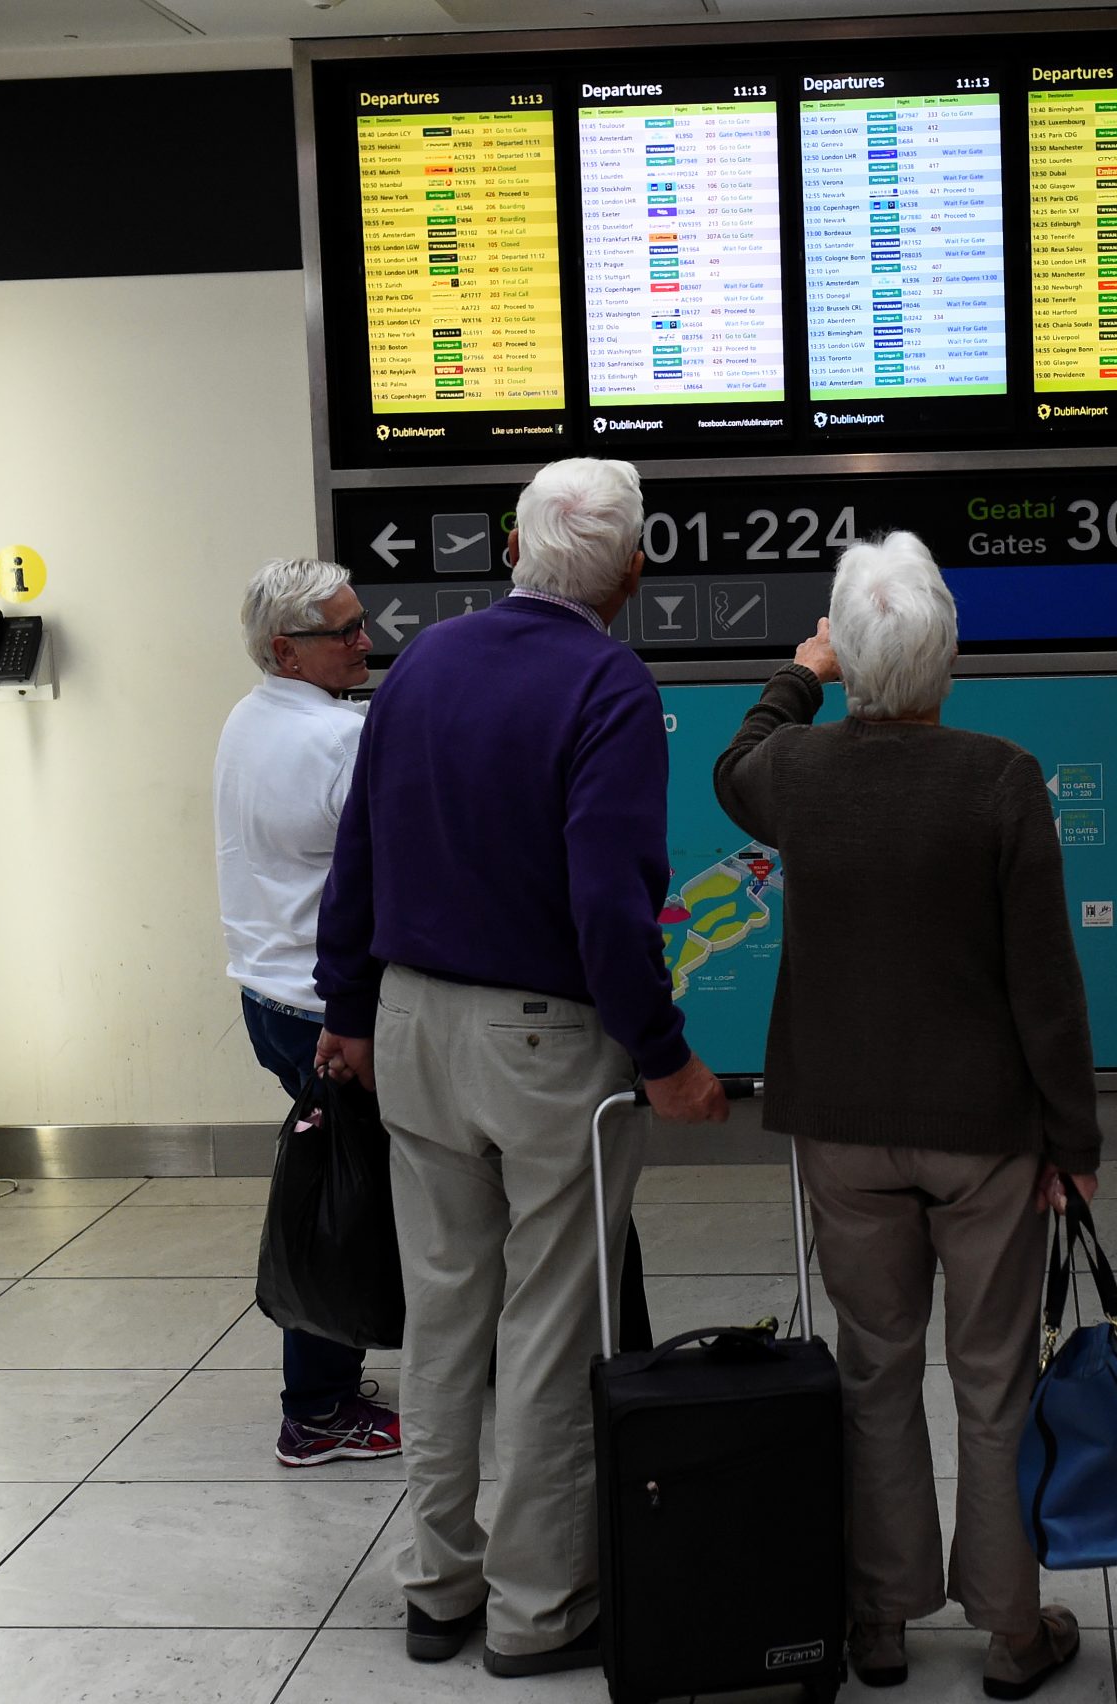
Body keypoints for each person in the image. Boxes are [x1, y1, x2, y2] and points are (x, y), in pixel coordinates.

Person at [315, 456, 730, 1676]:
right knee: (550, 1328)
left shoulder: (424, 661)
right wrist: (663, 1057)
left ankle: (436, 1588)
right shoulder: (608, 683)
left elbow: (360, 850)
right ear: (634, 572)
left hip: (409, 1024)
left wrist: (347, 1007)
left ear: (511, 545)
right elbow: (608, 897)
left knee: (442, 1320)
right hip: (547, 1045)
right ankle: (539, 1610)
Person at [714, 533, 1101, 1701]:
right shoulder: (999, 776)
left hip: (839, 1122)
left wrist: (803, 670)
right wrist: (1072, 1144)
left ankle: (879, 1623)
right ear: (946, 660)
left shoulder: (800, 774)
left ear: (856, 659)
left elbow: (736, 759)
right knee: (992, 1378)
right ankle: (1009, 1631)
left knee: (872, 1367)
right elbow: (1044, 979)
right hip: (983, 1131)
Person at [212, 557, 403, 1470]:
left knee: (344, 1184)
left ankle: (334, 1377)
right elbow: (392, 877)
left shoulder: (250, 718)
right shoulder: (337, 742)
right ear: (287, 650)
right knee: (348, 1207)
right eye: (344, 632)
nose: (366, 641)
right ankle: (318, 1412)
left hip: (266, 996)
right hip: (332, 1013)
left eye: (361, 622)